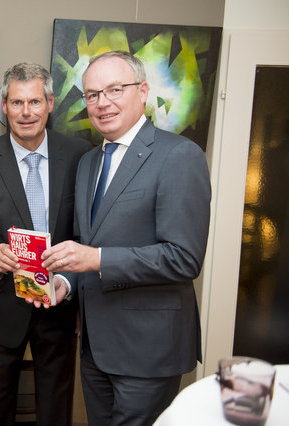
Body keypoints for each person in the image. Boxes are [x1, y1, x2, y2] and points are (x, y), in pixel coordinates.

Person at [41, 51, 212, 426]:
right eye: (92, 94)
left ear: (143, 91)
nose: (102, 103)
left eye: (115, 89)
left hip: (148, 352)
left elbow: (184, 258)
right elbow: (88, 243)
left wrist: (97, 259)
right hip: (95, 348)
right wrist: (65, 283)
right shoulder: (89, 162)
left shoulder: (179, 155)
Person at [0, 63, 91, 426]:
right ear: (4, 105)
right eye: (17, 102)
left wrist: (67, 283)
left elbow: (86, 232)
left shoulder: (80, 154)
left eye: (34, 102)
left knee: (55, 408)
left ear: (50, 103)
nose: (26, 112)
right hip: (2, 304)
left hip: (59, 304)